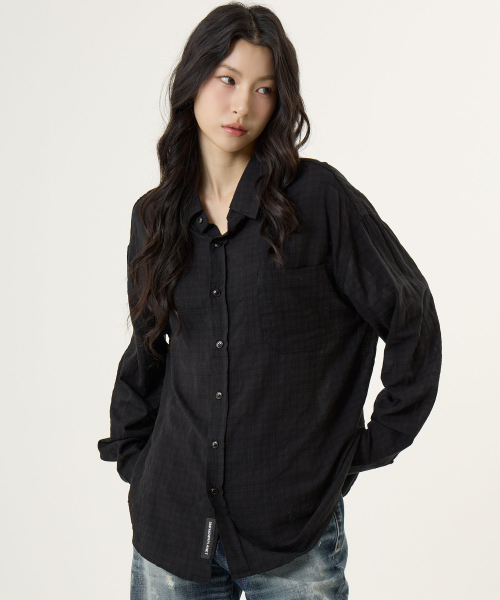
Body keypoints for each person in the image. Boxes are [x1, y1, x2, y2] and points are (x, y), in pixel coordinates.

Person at [97, 3, 442, 599]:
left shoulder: (319, 198)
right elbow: (149, 345)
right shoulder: (154, 216)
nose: (242, 105)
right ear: (193, 79)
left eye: (263, 88)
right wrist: (136, 459)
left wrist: (370, 445)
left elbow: (411, 316)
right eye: (227, 79)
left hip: (293, 533)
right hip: (172, 524)